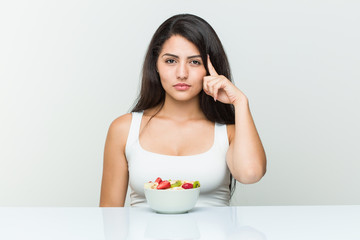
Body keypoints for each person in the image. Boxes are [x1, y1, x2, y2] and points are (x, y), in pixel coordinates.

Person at [100, 14, 266, 207]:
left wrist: (240, 102)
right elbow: (109, 215)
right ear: (156, 65)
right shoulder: (123, 129)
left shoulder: (228, 132)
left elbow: (251, 174)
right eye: (171, 61)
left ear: (210, 69)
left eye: (194, 62)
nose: (182, 74)